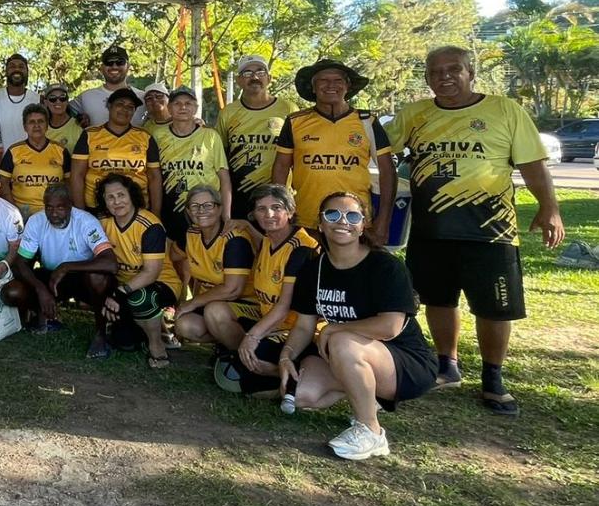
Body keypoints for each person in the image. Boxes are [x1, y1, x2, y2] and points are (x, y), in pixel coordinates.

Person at [388, 45, 565, 415]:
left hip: (490, 230)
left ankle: (493, 377)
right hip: (431, 227)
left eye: (454, 69)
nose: (444, 77)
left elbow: (533, 166)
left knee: (495, 308)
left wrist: (550, 208)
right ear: (427, 78)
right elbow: (378, 148)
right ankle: (446, 364)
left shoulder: (505, 110)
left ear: (471, 73)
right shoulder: (414, 114)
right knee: (437, 299)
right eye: (436, 71)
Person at [280, 192, 439, 460]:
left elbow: (390, 326)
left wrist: (334, 329)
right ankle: (362, 388)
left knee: (342, 340)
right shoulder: (314, 270)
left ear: (363, 224)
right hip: (352, 354)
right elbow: (305, 326)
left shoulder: (385, 266)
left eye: (353, 216)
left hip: (405, 363)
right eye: (333, 215)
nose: (342, 221)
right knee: (301, 395)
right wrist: (287, 355)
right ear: (320, 223)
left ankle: (371, 431)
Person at [272, 57, 395, 238]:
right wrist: (281, 213)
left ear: (348, 86)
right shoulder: (295, 122)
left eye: (338, 80)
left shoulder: (367, 122)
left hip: (354, 222)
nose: (331, 85)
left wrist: (383, 221)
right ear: (313, 87)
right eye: (323, 80)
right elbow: (281, 167)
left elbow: (388, 171)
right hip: (306, 222)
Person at [89, 173, 182, 365]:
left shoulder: (150, 225)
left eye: (121, 195)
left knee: (141, 298)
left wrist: (118, 294)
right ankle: (155, 328)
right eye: (110, 197)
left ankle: (157, 347)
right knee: (125, 342)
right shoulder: (102, 223)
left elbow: (151, 272)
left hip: (160, 282)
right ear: (104, 201)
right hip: (124, 288)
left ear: (131, 195)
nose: (117, 202)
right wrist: (110, 293)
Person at [236, 185, 319, 388]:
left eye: (276, 207)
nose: (269, 214)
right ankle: (248, 358)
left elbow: (284, 307)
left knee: (249, 377)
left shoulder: (302, 248)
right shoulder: (267, 239)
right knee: (216, 313)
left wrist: (251, 337)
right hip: (267, 319)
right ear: (254, 214)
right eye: (261, 209)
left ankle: (291, 372)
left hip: (296, 329)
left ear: (290, 212)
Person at [5, 183, 112, 333]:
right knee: (13, 292)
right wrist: (40, 288)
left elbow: (110, 263)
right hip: (52, 278)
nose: (54, 214)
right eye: (49, 207)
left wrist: (66, 267)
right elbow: (20, 263)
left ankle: (101, 332)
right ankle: (43, 315)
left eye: (60, 208)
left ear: (70, 205)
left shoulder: (86, 221)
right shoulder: (37, 221)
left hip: (82, 279)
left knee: (97, 277)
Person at [169, 185, 260, 353]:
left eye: (208, 205)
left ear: (220, 209)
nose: (201, 210)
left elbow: (233, 290)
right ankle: (227, 344)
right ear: (188, 211)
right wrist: (179, 290)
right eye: (194, 206)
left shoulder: (235, 240)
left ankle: (244, 358)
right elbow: (171, 257)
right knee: (185, 325)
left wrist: (193, 302)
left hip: (248, 305)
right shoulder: (191, 235)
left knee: (215, 311)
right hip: (211, 302)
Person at [216, 55, 298, 219]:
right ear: (239, 80)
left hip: (278, 196)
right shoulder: (228, 112)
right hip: (239, 196)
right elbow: (220, 157)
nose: (254, 77)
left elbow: (298, 154)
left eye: (260, 71)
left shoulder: (288, 109)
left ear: (269, 78)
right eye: (247, 73)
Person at [155, 86, 230, 243]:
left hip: (206, 211)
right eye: (177, 103)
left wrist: (226, 216)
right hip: (173, 210)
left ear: (196, 108)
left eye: (188, 103)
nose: (183, 107)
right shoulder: (158, 136)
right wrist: (156, 215)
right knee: (175, 258)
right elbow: (154, 177)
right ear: (169, 107)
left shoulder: (210, 136)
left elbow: (224, 178)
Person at [70, 88, 161, 214]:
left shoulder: (145, 137)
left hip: (137, 209)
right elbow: (77, 175)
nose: (125, 109)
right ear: (109, 106)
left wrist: (156, 214)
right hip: (96, 209)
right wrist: (80, 214)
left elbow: (154, 177)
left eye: (130, 107)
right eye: (120, 104)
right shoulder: (90, 135)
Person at [0, 103, 70, 218]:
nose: (36, 125)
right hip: (22, 212)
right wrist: (14, 211)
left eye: (41, 121)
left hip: (54, 211)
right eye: (31, 122)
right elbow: (3, 183)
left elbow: (69, 183)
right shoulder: (14, 151)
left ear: (47, 125)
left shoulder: (60, 151)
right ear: (25, 127)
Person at [76, 45, 144, 127]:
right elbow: (61, 111)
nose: (114, 66)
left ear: (128, 66)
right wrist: (78, 118)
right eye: (109, 62)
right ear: (102, 67)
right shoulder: (86, 97)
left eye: (120, 62)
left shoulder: (143, 98)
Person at [0, 53, 34, 152]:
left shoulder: (39, 100)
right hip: (0, 162)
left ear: (27, 72)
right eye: (12, 66)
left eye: (21, 67)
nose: (17, 69)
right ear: (6, 72)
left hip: (30, 161)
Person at [41, 82, 83, 152]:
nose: (58, 101)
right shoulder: (41, 128)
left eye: (62, 98)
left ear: (67, 101)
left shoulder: (79, 125)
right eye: (52, 98)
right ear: (46, 103)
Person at [140, 82, 173, 150]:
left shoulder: (182, 121)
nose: (154, 100)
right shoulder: (146, 128)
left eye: (159, 96)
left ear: (169, 99)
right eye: (149, 98)